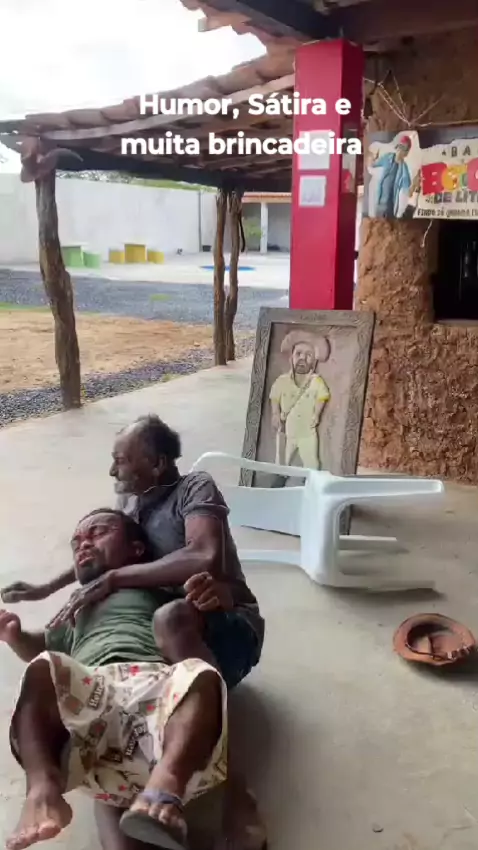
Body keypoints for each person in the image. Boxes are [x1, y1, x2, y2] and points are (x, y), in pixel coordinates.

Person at [0, 508, 228, 850]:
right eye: (76, 542)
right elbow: (44, 648)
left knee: (200, 676)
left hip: (157, 703)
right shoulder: (74, 611)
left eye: (98, 533)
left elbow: (200, 614)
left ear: (137, 549)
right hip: (93, 712)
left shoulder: (156, 586)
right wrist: (15, 636)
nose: (83, 544)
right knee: (42, 670)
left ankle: (166, 785)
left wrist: (209, 596)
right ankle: (43, 788)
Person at [2, 414, 264, 692]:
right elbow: (108, 552)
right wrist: (45, 589)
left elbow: (202, 555)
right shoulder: (130, 499)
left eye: (121, 461)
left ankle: (209, 703)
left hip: (225, 618)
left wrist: (113, 579)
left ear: (157, 464)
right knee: (109, 630)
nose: (112, 471)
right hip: (170, 614)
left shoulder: (194, 488)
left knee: (167, 621)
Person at [269, 332, 330, 470]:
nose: (302, 358)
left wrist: (317, 414)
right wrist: (275, 413)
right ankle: (280, 480)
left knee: (312, 464)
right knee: (281, 463)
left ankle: (311, 481)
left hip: (307, 432)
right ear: (291, 358)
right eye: (298, 354)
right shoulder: (282, 381)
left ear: (314, 361)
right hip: (287, 430)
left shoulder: (316, 381)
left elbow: (322, 397)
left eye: (308, 355)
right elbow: (275, 397)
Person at [369, 134, 413, 218]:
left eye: (404, 148)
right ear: (397, 147)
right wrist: (372, 157)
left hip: (391, 208)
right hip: (379, 203)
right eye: (400, 146)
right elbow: (373, 165)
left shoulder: (404, 171)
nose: (400, 150)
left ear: (407, 153)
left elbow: (407, 191)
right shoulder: (387, 157)